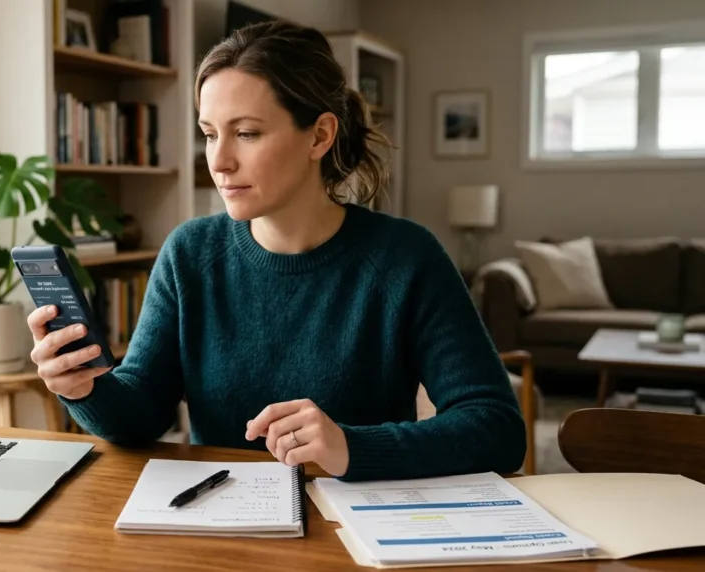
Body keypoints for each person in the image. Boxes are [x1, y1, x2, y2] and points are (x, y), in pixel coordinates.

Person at [26, 20, 526, 482]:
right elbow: (139, 416)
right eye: (209, 134)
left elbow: (497, 429)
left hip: (354, 535)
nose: (219, 161)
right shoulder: (190, 254)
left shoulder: (405, 259)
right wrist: (84, 387)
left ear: (320, 135)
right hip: (218, 528)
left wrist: (349, 447)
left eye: (246, 133)